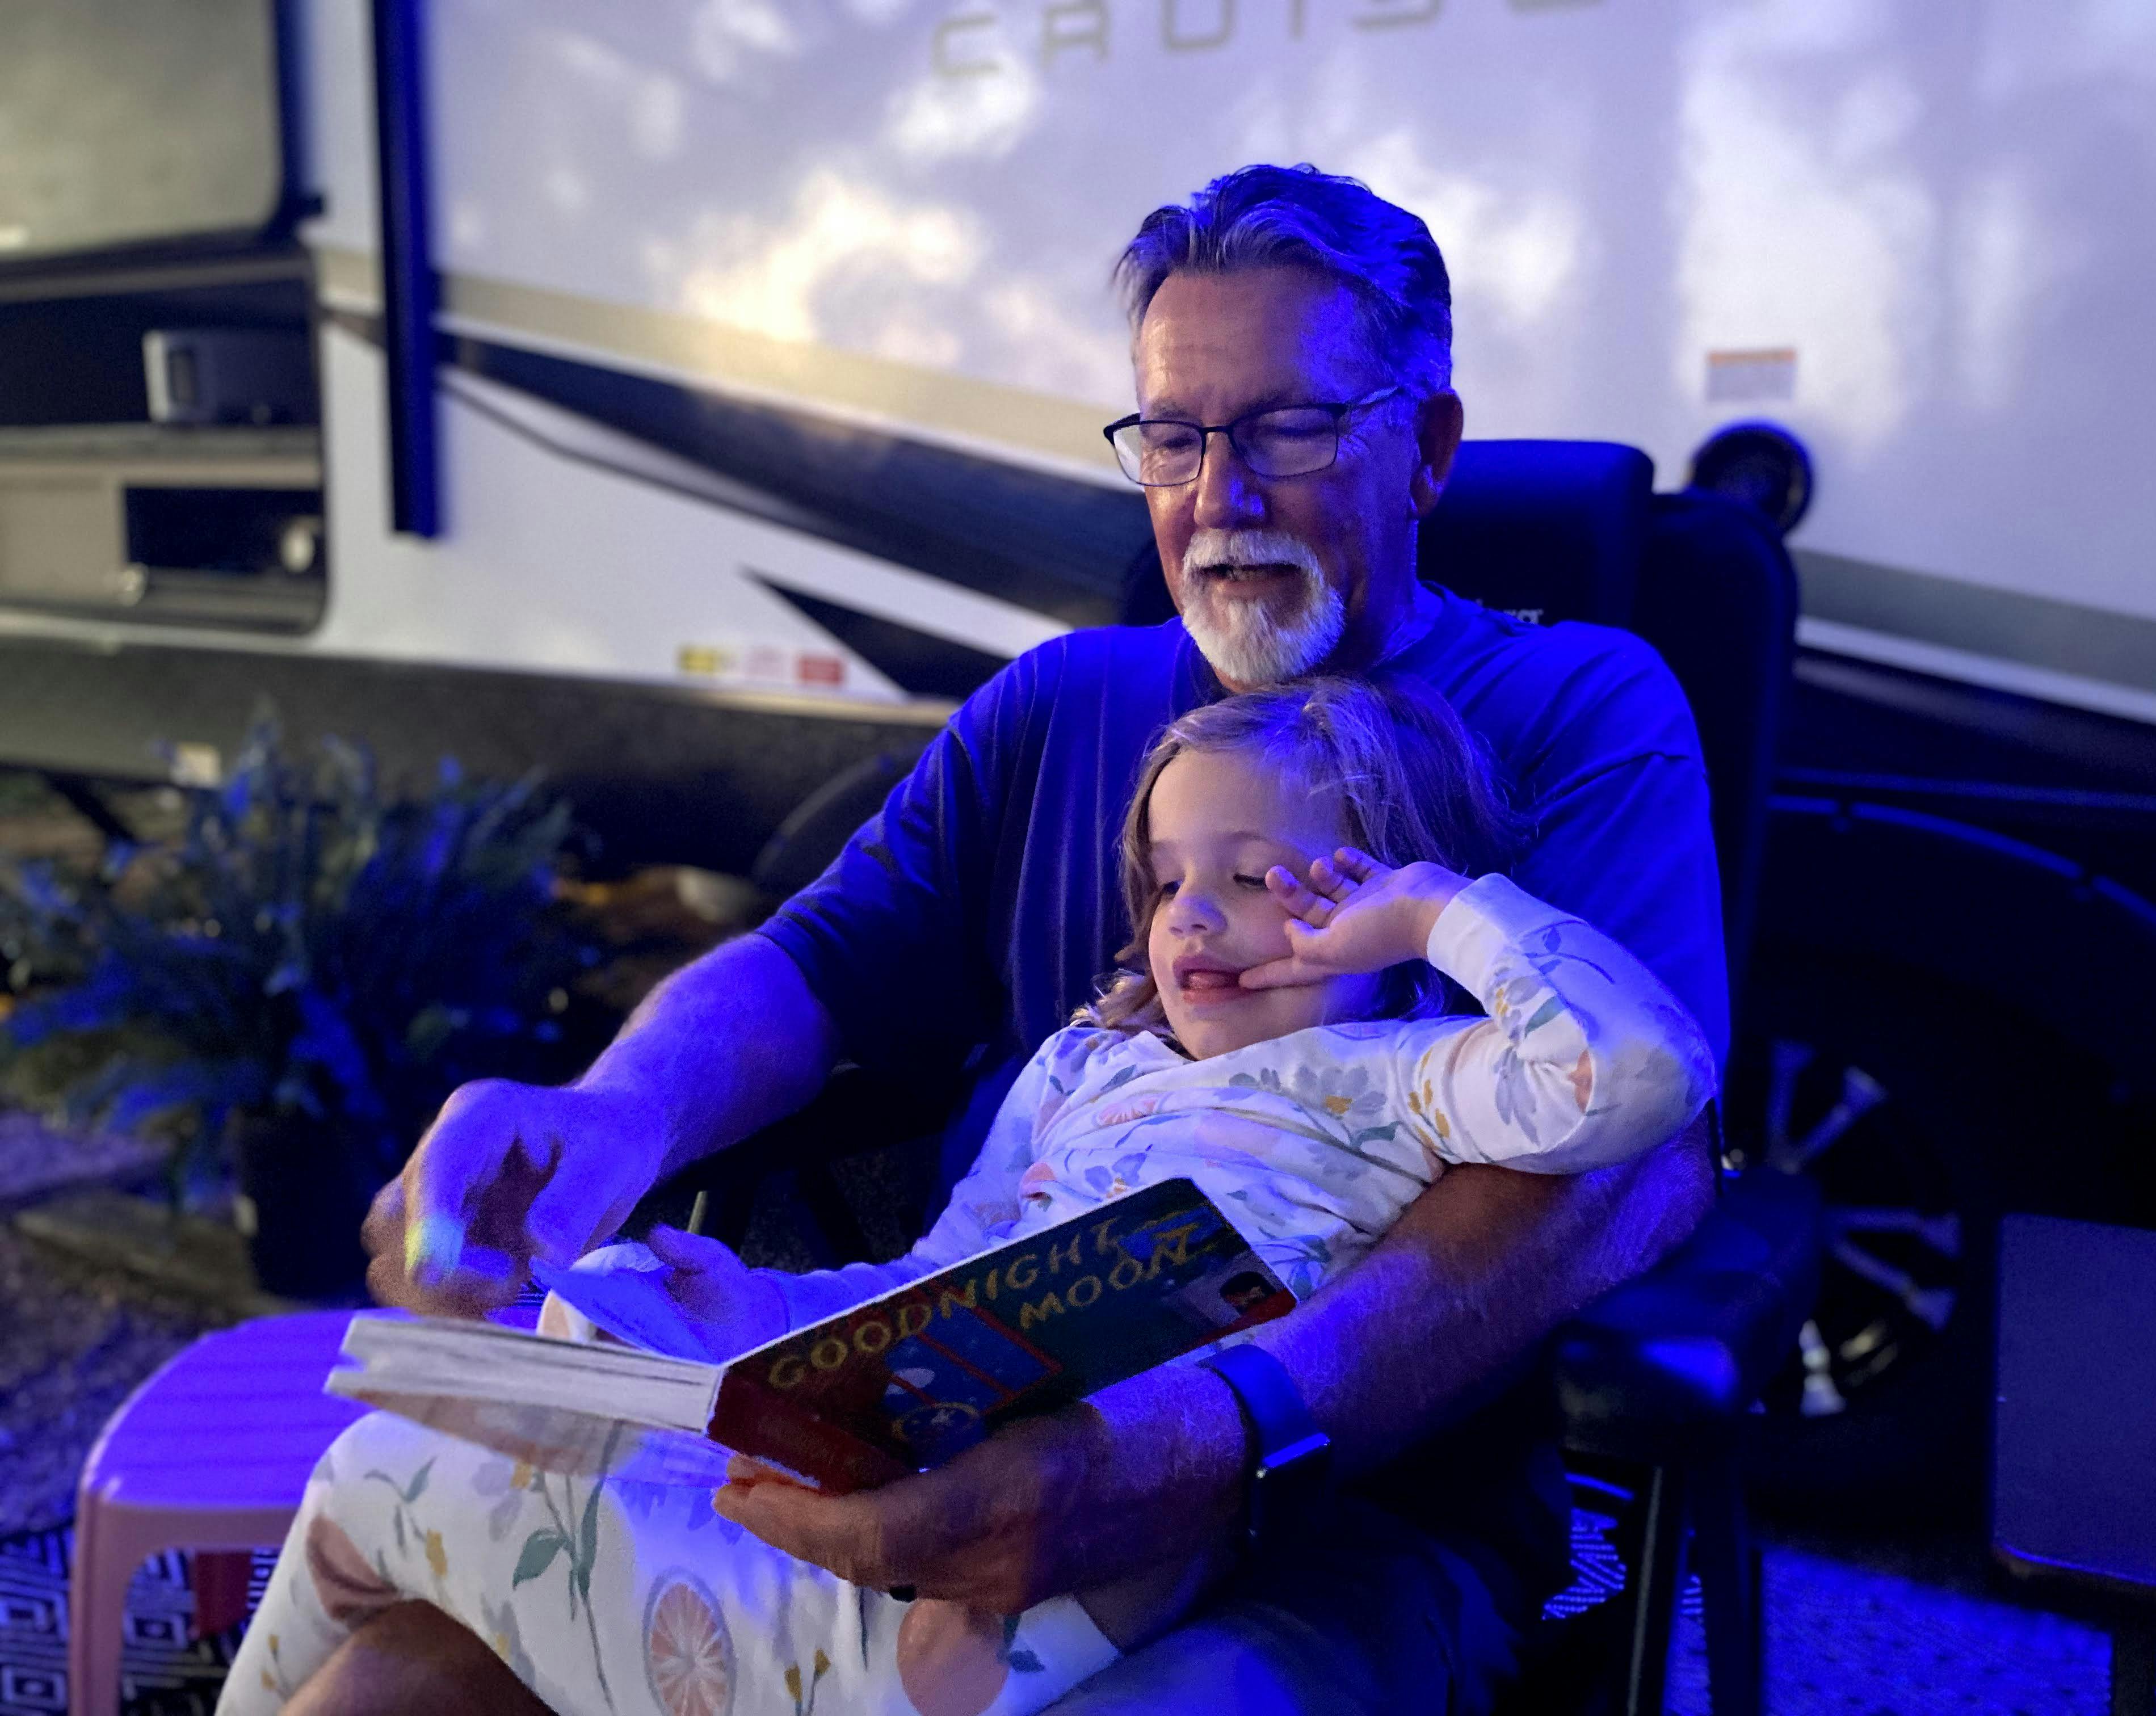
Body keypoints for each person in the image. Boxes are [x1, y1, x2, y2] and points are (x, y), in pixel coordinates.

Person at [320, 162, 1728, 1715]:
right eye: (1176, 437)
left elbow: (1633, 1165)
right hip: (935, 1435)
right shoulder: (1060, 703)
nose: (1223, 494)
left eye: (1292, 427)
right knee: (390, 1678)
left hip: (1369, 1517)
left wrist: (1220, 1435)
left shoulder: (1582, 710)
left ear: (1430, 450)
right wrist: (617, 1112)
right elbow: (811, 967)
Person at [223, 677, 1714, 1716]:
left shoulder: (1403, 1072)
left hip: (1060, 1586)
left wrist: (1441, 916)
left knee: (371, 1480)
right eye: (1167, 879)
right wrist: (765, 1310)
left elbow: (1648, 1085)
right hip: (887, 1526)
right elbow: (948, 1268)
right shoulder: (1088, 1069)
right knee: (469, 1412)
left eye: (1263, 879)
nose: (1195, 917)